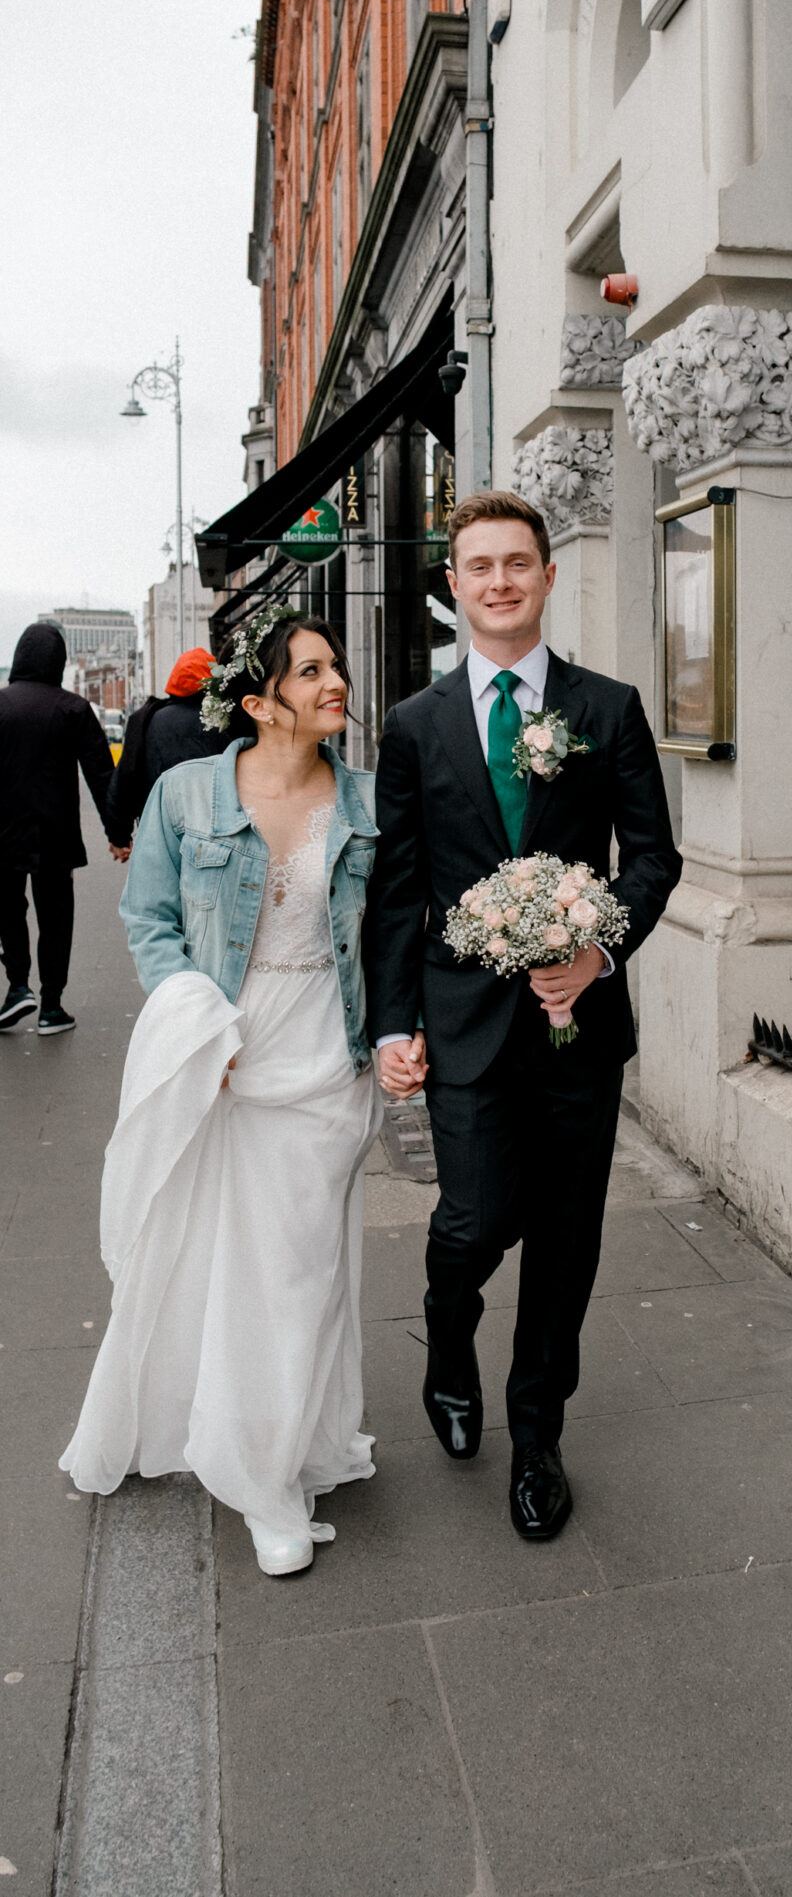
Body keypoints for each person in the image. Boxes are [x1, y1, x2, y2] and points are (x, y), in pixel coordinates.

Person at [365, 490, 682, 1541]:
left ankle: (536, 1434)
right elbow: (397, 886)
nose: (498, 581)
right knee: (470, 1221)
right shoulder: (413, 726)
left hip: (578, 1029)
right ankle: (448, 1339)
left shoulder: (606, 708)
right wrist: (392, 1024)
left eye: (517, 563)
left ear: (547, 577)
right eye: (478, 566)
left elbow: (654, 856)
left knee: (564, 1237)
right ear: (452, 587)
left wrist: (598, 952)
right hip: (460, 1019)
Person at [60, 609, 383, 1578]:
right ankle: (246, 1456)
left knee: (301, 1270)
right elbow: (148, 918)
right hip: (224, 1055)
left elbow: (399, 928)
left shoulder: (369, 801)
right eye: (312, 671)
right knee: (209, 1261)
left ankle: (278, 1464)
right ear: (257, 701)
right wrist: (196, 1022)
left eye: (337, 667)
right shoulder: (184, 795)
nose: (337, 684)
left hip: (327, 1055)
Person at [0, 622, 128, 1035]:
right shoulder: (73, 709)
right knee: (56, 918)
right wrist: (118, 833)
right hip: (54, 835)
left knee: (8, 909)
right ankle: (51, 1006)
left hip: (4, 833)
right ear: (59, 661)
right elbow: (102, 776)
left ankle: (18, 985)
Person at [104, 645, 224, 847]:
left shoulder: (146, 719)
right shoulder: (225, 721)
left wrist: (119, 837)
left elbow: (124, 780)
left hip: (158, 832)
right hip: (217, 833)